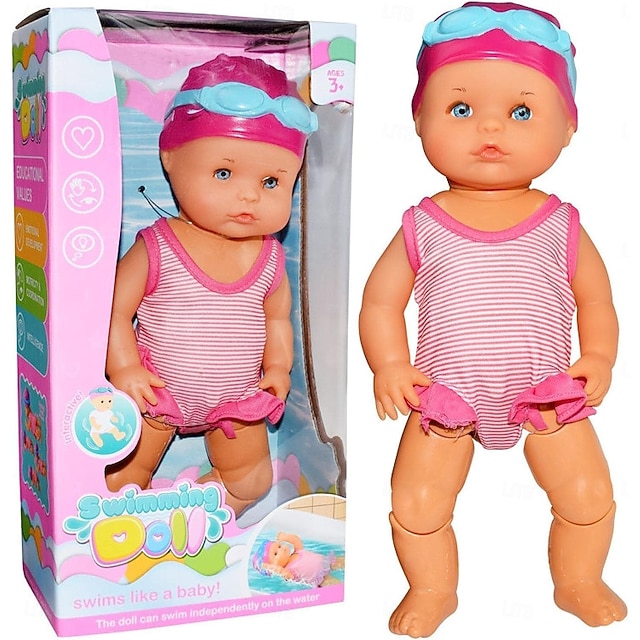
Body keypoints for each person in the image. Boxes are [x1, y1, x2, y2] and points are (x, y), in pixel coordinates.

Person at [359, 3, 627, 636]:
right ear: (418, 120)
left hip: (545, 391)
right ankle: (431, 587)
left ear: (569, 126)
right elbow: (380, 302)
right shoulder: (422, 223)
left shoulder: (561, 222)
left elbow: (597, 300)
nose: (490, 128)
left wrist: (598, 356)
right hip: (445, 393)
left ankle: (579, 580)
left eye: (522, 112)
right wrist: (390, 364)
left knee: (586, 493)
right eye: (460, 109)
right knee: (417, 501)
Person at [105, 54, 317, 517]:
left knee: (252, 481)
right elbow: (113, 310)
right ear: (170, 158)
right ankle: (125, 525)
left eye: (271, 181)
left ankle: (183, 524)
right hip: (156, 393)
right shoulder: (158, 245)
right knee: (120, 478)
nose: (249, 194)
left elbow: (278, 319)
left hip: (235, 403)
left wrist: (278, 368)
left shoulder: (269, 257)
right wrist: (124, 369)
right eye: (224, 173)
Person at [252, 531, 344, 587]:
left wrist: (286, 537)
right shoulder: (288, 571)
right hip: (321, 579)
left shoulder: (297, 551)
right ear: (273, 566)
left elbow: (296, 540)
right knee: (338, 586)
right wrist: (272, 568)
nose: (282, 549)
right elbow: (281, 572)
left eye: (279, 546)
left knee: (343, 560)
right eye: (276, 553)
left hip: (327, 562)